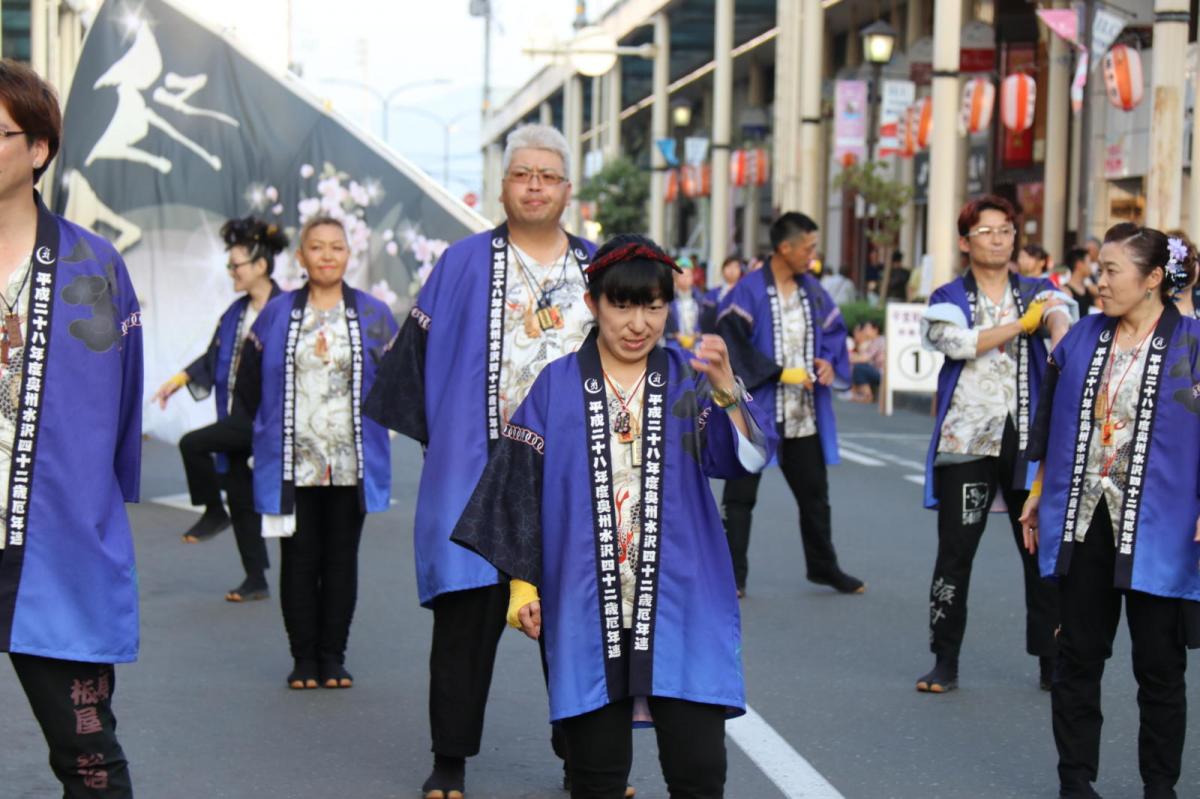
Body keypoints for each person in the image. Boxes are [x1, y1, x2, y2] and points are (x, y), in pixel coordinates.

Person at [451, 235, 778, 799]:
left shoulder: (686, 379)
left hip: (683, 603)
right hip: (584, 604)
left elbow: (746, 459)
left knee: (699, 771)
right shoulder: (555, 385)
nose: (639, 323)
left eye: (654, 306)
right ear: (592, 302)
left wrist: (726, 388)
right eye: (622, 305)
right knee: (595, 777)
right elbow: (517, 490)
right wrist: (522, 587)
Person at [363, 123, 597, 799]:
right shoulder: (462, 262)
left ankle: (584, 762)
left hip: (574, 474)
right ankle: (450, 760)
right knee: (465, 619)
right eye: (522, 173)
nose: (533, 185)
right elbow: (414, 358)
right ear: (502, 185)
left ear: (565, 189)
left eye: (546, 175)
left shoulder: (596, 268)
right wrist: (443, 446)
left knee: (578, 616)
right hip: (477, 466)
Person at [0, 59, 142, 796]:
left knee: (88, 759)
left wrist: (95, 506)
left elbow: (120, 402)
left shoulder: (92, 266)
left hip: (52, 539)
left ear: (38, 150)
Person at [1021, 224, 1200, 799]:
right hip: (1084, 518)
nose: (1100, 283)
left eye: (1112, 272)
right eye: (1098, 271)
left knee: (1159, 666)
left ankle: (1159, 787)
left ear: (1152, 280)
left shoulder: (1193, 346)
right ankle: (1075, 781)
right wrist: (1035, 494)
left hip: (1162, 527)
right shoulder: (1081, 340)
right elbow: (1050, 424)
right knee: (1078, 655)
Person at [916, 195, 1073, 694]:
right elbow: (954, 342)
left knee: (1038, 549)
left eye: (1006, 229)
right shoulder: (947, 295)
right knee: (956, 552)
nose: (1000, 238)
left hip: (1027, 441)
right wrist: (1017, 327)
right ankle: (945, 658)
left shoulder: (1038, 290)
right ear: (966, 242)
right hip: (968, 437)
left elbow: (1061, 318)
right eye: (987, 231)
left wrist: (1054, 327)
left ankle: (1052, 659)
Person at [234, 215, 398, 692]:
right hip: (291, 463)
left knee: (342, 560)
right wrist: (261, 432)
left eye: (337, 247)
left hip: (351, 463)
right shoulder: (277, 312)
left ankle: (334, 656)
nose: (327, 255)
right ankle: (303, 658)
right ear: (301, 257)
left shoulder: (374, 314)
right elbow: (247, 381)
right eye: (317, 247)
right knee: (299, 560)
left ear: (349, 255)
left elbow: (395, 382)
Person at [717, 212, 865, 597]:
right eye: (809, 247)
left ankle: (823, 567)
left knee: (815, 495)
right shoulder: (748, 291)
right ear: (785, 248)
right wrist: (779, 372)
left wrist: (829, 362)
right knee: (740, 496)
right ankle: (733, 576)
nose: (813, 256)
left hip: (802, 414)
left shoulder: (812, 290)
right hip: (756, 408)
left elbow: (834, 330)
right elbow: (732, 343)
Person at [151, 217, 284, 602]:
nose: (231, 273)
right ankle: (255, 578)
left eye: (236, 265)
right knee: (241, 498)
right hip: (238, 417)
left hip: (270, 419)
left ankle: (213, 509)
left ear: (260, 265)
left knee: (193, 443)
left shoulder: (288, 309)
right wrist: (176, 382)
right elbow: (212, 358)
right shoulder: (235, 314)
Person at [665, 260, 703, 351]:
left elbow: (704, 322)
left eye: (688, 275)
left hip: (696, 344)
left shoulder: (701, 300)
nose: (685, 279)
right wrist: (676, 335)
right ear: (675, 278)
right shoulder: (668, 300)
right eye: (682, 275)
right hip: (674, 343)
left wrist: (696, 335)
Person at [700, 255, 743, 334]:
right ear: (723, 270)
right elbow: (705, 319)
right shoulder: (712, 294)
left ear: (740, 271)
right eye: (729, 266)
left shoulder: (744, 293)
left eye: (736, 267)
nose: (732, 270)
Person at [848, 320, 885, 403]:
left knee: (859, 368)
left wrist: (847, 359)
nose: (864, 331)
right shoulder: (874, 341)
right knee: (858, 367)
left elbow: (864, 358)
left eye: (867, 329)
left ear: (875, 330)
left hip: (882, 373)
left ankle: (867, 396)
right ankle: (857, 393)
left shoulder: (879, 341)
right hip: (878, 372)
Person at [1062, 247, 1096, 316]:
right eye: (1089, 262)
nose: (1090, 267)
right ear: (1079, 264)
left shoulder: (1089, 289)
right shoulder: (1065, 291)